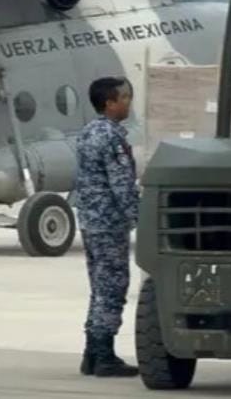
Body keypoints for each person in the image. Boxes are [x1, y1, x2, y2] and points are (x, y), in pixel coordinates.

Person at [70, 77, 140, 378]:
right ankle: (104, 355)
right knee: (112, 288)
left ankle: (92, 354)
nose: (128, 102)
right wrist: (140, 219)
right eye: (124, 97)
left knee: (99, 288)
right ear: (109, 103)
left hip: (90, 220)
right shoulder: (111, 137)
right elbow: (122, 185)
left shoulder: (87, 132)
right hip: (109, 223)